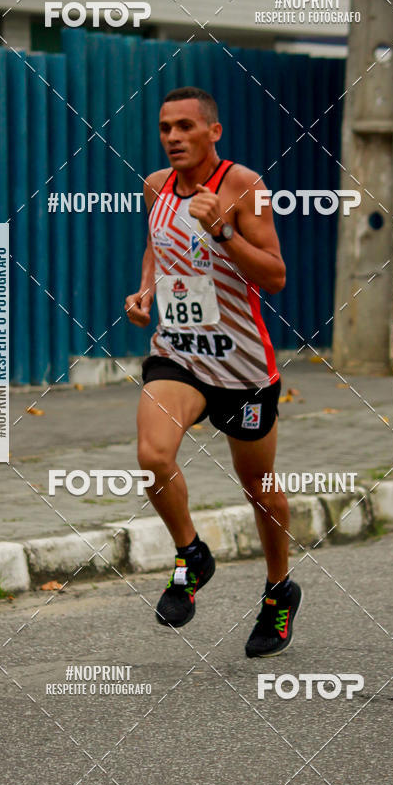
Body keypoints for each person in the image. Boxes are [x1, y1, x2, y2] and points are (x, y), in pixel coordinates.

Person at [125, 86, 301, 657]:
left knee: (260, 489)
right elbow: (157, 246)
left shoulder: (244, 186)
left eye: (185, 126)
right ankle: (192, 554)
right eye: (165, 127)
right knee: (153, 454)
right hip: (178, 352)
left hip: (242, 365)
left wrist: (223, 231)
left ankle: (279, 590)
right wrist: (146, 291)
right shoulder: (155, 186)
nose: (173, 137)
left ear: (213, 131)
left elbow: (274, 276)